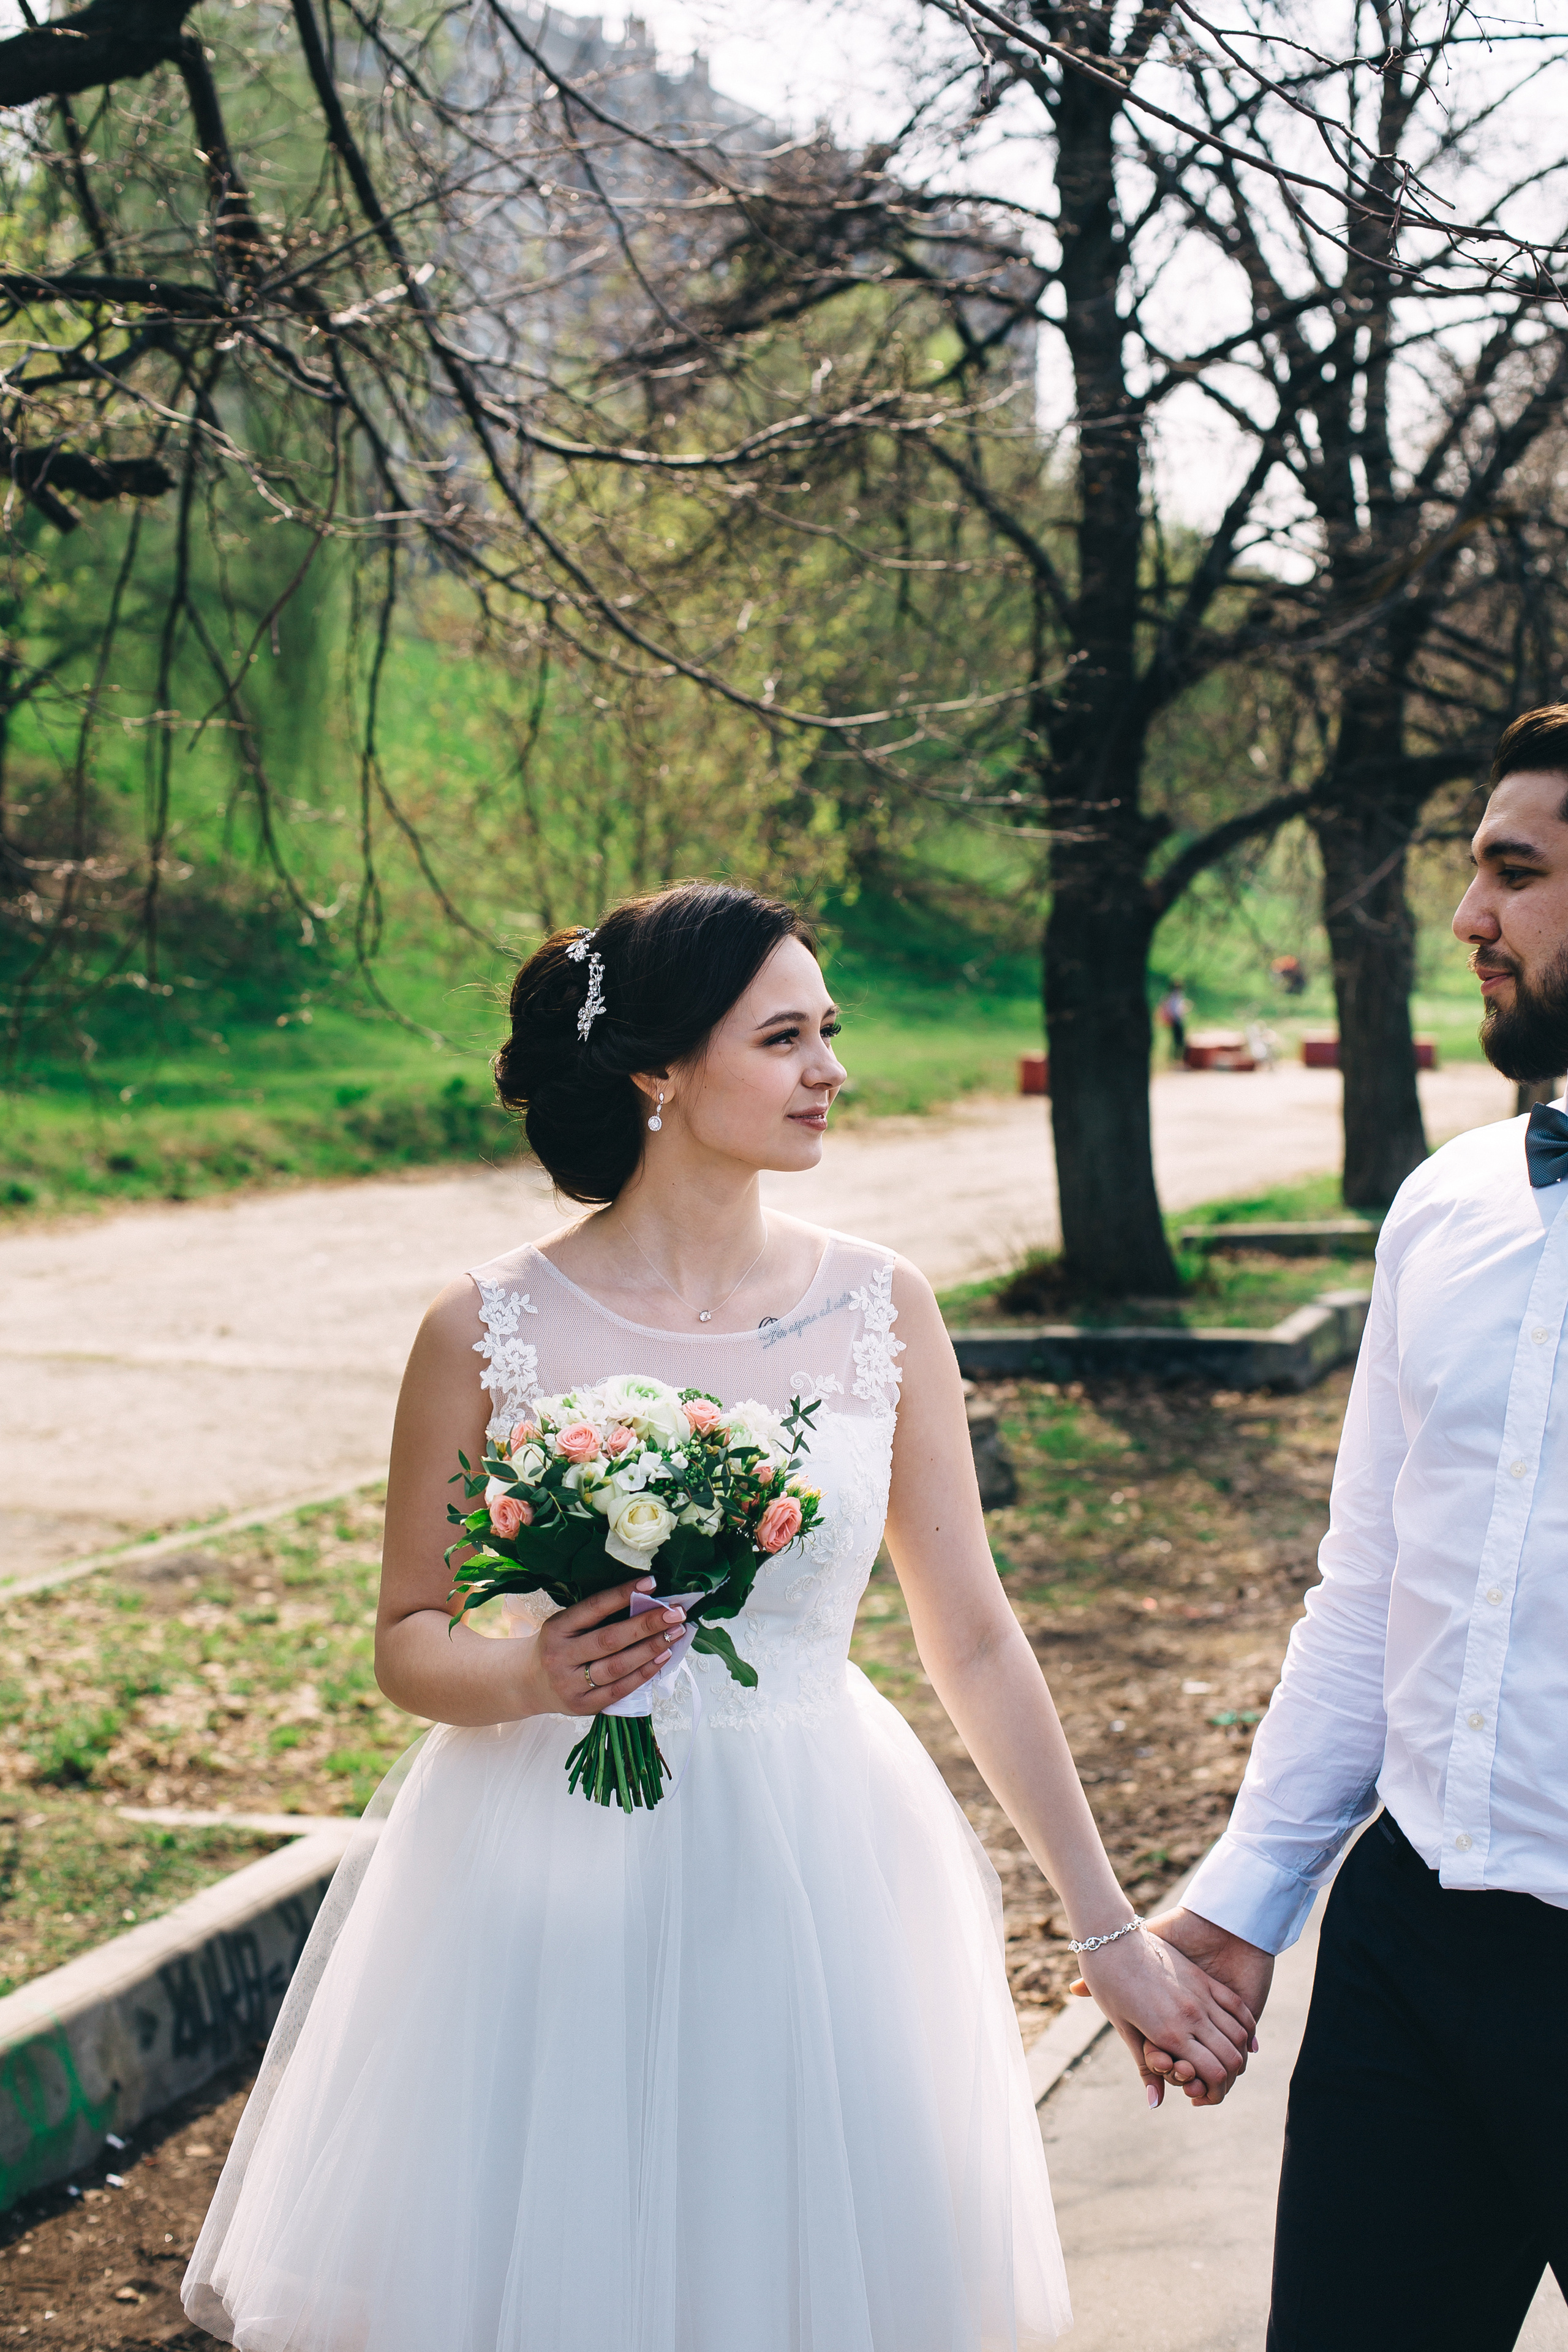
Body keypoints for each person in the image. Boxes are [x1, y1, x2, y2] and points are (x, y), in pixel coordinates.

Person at [182, 881, 1255, 2352]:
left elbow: (975, 1635)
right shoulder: (483, 1325)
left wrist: (1105, 1924)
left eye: (828, 1031)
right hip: (545, 1877)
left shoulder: (882, 1305)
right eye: (783, 1038)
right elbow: (406, 1633)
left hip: (817, 1875)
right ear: (656, 1072)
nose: (830, 1069)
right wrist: (530, 1671)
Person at [1147, 707, 1568, 2350]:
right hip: (1410, 1946)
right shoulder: (1445, 1207)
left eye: (1513, 876)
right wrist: (1248, 1898)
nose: (1467, 919)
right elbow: (1369, 1587)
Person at [1156, 979, 1189, 1061]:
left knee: (1178, 1040)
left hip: (1177, 1020)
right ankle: (1177, 1059)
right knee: (1179, 1040)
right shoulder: (1173, 996)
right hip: (1176, 1020)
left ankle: (1176, 1058)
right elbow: (1173, 1009)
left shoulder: (1176, 996)